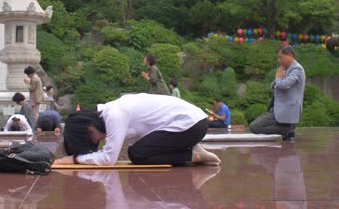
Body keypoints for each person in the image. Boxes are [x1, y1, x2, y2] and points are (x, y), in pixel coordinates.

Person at [55, 93, 221, 166]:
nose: (97, 141)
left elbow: (109, 159)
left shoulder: (114, 114)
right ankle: (190, 147)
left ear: (89, 126)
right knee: (138, 150)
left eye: (91, 138)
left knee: (138, 154)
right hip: (190, 123)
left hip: (191, 125)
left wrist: (77, 159)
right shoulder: (111, 111)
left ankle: (195, 155)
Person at [249, 45, 305, 140]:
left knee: (254, 127)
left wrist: (278, 79)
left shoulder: (297, 69)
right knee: (254, 126)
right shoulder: (286, 69)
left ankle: (287, 130)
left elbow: (285, 85)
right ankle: (287, 129)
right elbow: (274, 85)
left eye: (280, 57)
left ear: (290, 55)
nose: (279, 60)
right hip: (277, 108)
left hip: (286, 109)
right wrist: (278, 81)